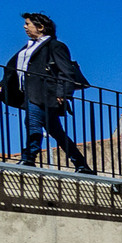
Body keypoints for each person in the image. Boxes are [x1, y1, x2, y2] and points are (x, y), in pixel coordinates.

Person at [0, 12, 94, 174]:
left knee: (32, 122)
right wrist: (2, 85)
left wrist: (62, 93)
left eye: (28, 24)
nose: (25, 27)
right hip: (30, 94)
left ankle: (29, 157)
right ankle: (82, 165)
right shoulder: (28, 47)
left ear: (41, 27)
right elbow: (12, 70)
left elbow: (66, 72)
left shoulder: (55, 46)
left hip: (45, 94)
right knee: (57, 132)